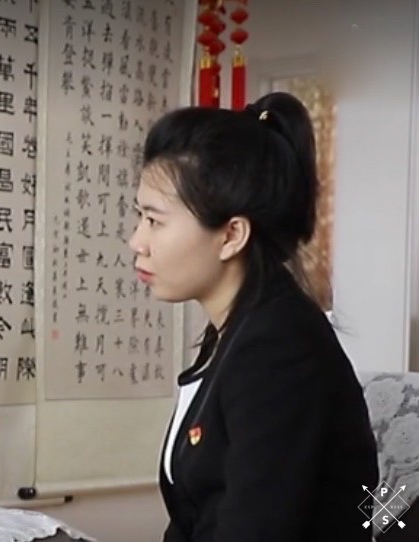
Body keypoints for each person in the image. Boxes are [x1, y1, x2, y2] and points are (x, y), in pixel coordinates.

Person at [129, 92, 378, 541]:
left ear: (231, 236)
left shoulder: (279, 347)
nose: (137, 242)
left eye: (154, 221)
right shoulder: (237, 330)